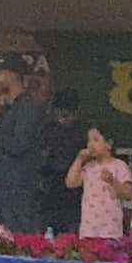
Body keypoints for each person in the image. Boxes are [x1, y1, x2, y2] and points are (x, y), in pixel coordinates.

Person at [0, 57, 46, 233]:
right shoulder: (13, 108)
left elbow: (19, 145)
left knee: (22, 238)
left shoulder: (27, 108)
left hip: (20, 189)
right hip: (5, 187)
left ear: (11, 75)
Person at [65, 125, 132, 239]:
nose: (90, 145)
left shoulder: (119, 166)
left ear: (108, 144)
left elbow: (128, 194)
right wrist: (79, 159)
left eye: (96, 140)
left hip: (110, 230)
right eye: (89, 141)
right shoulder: (88, 167)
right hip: (88, 230)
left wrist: (112, 181)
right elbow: (70, 183)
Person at [40, 87, 84, 232]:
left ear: (76, 112)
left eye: (67, 114)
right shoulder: (48, 130)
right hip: (52, 185)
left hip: (76, 187)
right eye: (60, 114)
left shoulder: (83, 132)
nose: (63, 119)